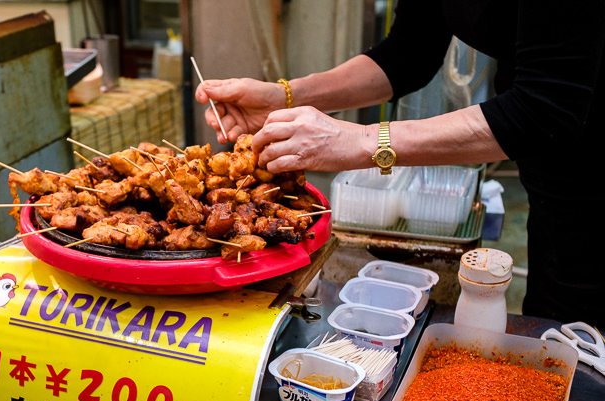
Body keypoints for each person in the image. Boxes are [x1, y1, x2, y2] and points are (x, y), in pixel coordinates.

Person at [195, 0, 605, 329]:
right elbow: (409, 51)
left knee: (585, 332)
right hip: (553, 176)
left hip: (585, 154)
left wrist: (360, 141)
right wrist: (285, 96)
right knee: (557, 317)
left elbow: (544, 109)